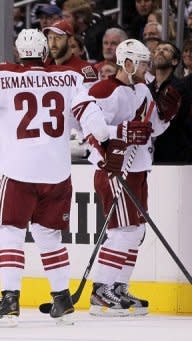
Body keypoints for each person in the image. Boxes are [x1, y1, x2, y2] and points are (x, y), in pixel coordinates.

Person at [0, 29, 152, 326]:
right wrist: (107, 145)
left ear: (18, 52)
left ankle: (10, 300)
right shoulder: (70, 78)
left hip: (19, 171)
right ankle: (62, 299)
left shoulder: (3, 76)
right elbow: (96, 124)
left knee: (10, 231)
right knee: (49, 235)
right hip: (56, 173)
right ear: (44, 53)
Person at [80, 39, 172, 316]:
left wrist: (166, 116)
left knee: (137, 232)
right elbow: (92, 132)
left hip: (139, 168)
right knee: (123, 231)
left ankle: (118, 286)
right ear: (128, 63)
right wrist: (120, 135)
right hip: (115, 170)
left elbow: (150, 130)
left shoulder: (143, 89)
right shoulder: (104, 90)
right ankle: (100, 291)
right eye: (143, 63)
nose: (148, 68)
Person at [43, 20, 98, 87]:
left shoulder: (85, 69)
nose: (53, 44)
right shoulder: (43, 66)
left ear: (70, 40)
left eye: (57, 38)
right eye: (50, 38)